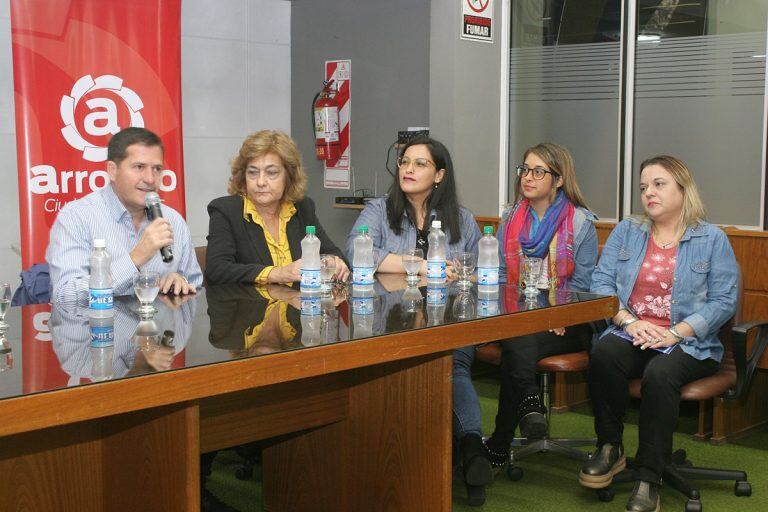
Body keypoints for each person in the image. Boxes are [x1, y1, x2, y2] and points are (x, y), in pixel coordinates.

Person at [580, 156, 738, 512]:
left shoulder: (711, 238)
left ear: (683, 189)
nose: (648, 193)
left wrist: (676, 333)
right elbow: (601, 285)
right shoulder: (627, 232)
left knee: (660, 374)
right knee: (604, 354)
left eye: (659, 184)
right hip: (633, 331)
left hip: (689, 342)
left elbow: (724, 301)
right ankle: (611, 447)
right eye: (643, 187)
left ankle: (649, 477)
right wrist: (627, 321)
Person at [345, 135, 485, 505]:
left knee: (453, 366)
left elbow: (482, 269)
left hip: (449, 321)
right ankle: (412, 459)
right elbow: (357, 251)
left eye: (420, 164)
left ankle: (471, 448)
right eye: (405, 162)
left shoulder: (463, 219)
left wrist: (463, 273)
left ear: (439, 174)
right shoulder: (377, 210)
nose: (408, 169)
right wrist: (423, 266)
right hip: (389, 321)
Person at [477, 142, 598, 463]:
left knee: (519, 342)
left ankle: (502, 441)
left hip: (566, 319)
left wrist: (556, 314)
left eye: (538, 171)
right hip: (517, 311)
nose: (527, 177)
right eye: (524, 170)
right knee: (520, 334)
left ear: (558, 179)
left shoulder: (581, 223)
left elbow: (585, 287)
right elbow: (502, 275)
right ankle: (529, 405)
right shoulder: (511, 217)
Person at [47, 127, 202, 303]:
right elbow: (65, 295)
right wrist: (135, 258)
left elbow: (196, 286)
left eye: (157, 168)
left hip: (158, 329)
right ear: (112, 170)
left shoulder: (173, 220)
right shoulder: (76, 218)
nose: (150, 179)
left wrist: (180, 284)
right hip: (99, 329)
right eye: (139, 167)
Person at [205, 130, 349, 285]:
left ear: (289, 176)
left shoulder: (301, 208)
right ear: (243, 176)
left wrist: (334, 261)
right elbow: (217, 270)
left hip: (297, 305)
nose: (260, 182)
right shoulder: (225, 211)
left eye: (271, 173)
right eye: (252, 173)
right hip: (250, 306)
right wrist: (276, 273)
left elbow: (330, 251)